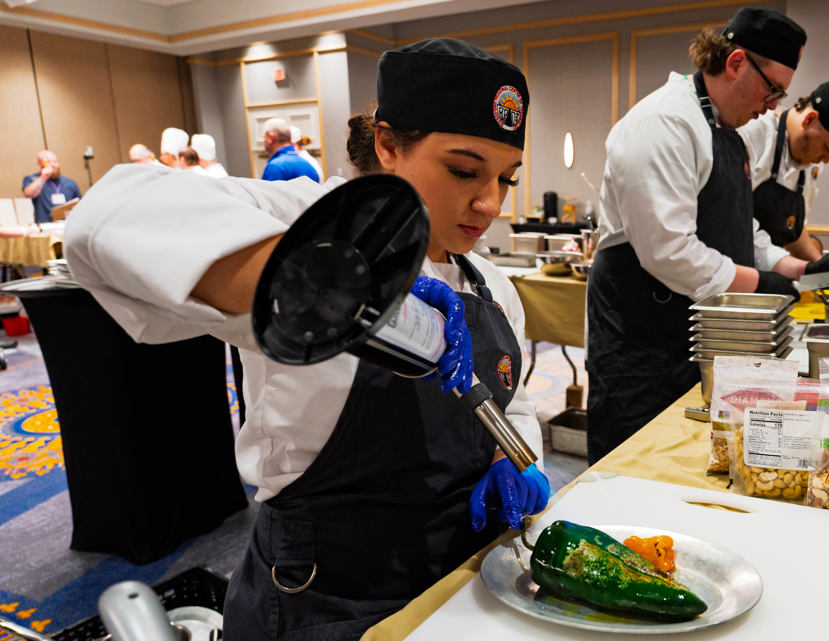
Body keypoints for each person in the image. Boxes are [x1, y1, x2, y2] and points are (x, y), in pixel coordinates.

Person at [64, 38, 548, 639]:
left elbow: (514, 400)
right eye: (463, 170)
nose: (491, 203)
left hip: (457, 579)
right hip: (325, 599)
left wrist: (513, 455)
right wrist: (347, 286)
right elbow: (104, 218)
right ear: (389, 145)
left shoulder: (491, 284)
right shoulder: (313, 222)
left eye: (508, 178)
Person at [586, 7, 829, 464]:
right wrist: (761, 286)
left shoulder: (726, 131)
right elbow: (670, 252)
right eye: (772, 89)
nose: (775, 106)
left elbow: (742, 231)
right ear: (736, 62)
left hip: (695, 337)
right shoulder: (665, 123)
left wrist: (801, 268)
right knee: (634, 467)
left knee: (690, 466)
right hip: (641, 339)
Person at [740, 76, 829, 261]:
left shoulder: (812, 164)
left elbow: (792, 230)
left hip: (768, 271)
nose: (826, 160)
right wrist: (793, 267)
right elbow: (735, 225)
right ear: (810, 119)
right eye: (828, 148)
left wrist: (823, 267)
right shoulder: (752, 134)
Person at [21, 150, 82, 224]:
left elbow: (80, 204)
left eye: (55, 161)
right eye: (49, 162)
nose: (53, 165)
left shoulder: (70, 182)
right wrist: (43, 177)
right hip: (45, 225)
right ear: (39, 163)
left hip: (68, 224)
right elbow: (29, 194)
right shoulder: (32, 179)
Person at [260, 117, 319, 182]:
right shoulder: (307, 164)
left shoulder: (276, 166)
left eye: (264, 138)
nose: (263, 142)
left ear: (271, 138)